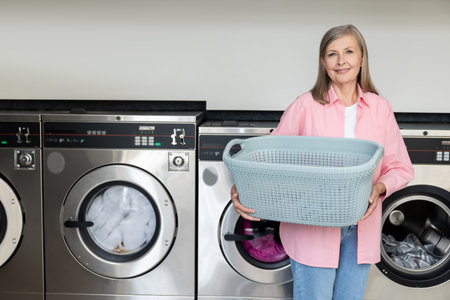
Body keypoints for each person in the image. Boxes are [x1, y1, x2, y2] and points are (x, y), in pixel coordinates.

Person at [231, 24, 414, 300]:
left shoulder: (380, 108)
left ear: (362, 58)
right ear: (322, 62)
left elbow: (400, 167)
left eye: (349, 52)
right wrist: (241, 189)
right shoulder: (305, 106)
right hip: (311, 229)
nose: (341, 61)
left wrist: (378, 189)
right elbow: (268, 158)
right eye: (332, 54)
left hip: (361, 229)